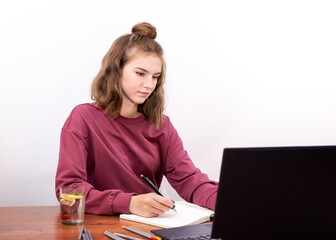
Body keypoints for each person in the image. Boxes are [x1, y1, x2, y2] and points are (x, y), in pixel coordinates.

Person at [55, 22, 218, 217]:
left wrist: (231, 200)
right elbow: (69, 189)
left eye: (155, 77)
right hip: (97, 226)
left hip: (148, 227)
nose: (149, 85)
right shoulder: (83, 118)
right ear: (116, 70)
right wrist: (129, 203)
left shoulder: (162, 125)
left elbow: (190, 180)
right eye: (140, 73)